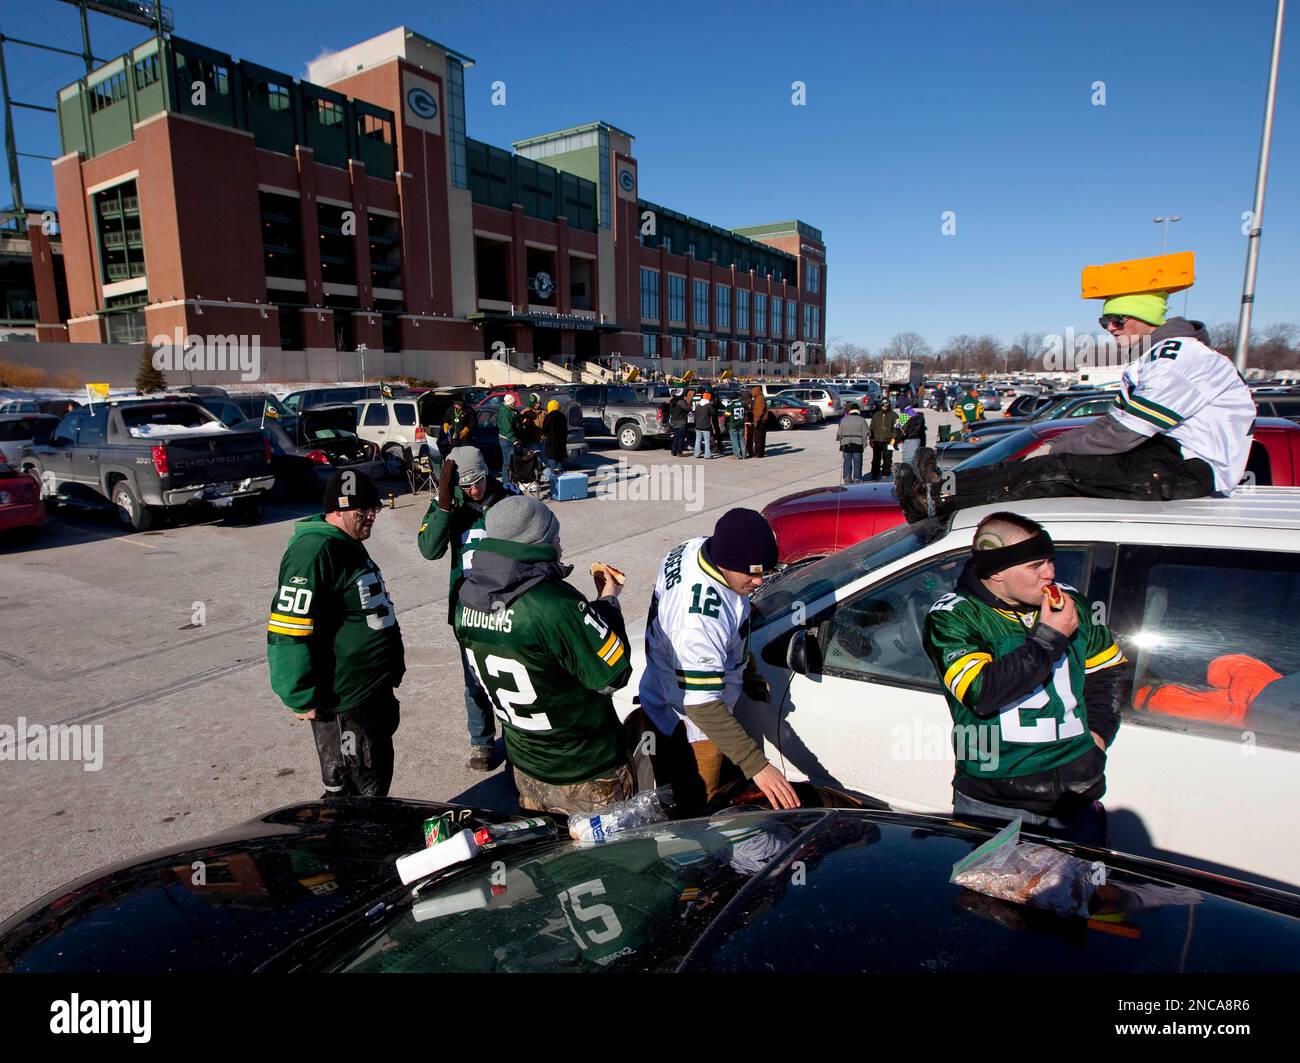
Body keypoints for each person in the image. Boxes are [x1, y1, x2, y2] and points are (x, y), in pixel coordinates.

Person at [894, 302, 1256, 524]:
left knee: (1056, 473)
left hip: (1190, 467)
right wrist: (1060, 443)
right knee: (1050, 468)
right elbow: (1112, 423)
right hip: (1177, 459)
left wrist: (1057, 450)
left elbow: (1122, 433)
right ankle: (941, 489)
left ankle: (936, 496)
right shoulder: (1166, 355)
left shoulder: (1180, 355)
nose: (1110, 329)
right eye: (1104, 323)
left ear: (1145, 317)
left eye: (1116, 319)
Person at [921, 512, 1130, 844]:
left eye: (1050, 560)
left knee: (1079, 894)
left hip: (1075, 797)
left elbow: (1109, 671)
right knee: (994, 895)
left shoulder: (1070, 602)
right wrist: (1049, 638)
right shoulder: (955, 617)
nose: (1050, 573)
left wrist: (1097, 736)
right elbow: (983, 692)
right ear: (997, 572)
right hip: (995, 804)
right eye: (1036, 566)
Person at [453, 495, 634, 814]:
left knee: (546, 855)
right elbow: (613, 674)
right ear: (535, 541)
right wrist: (607, 603)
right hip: (586, 770)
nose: (560, 540)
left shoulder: (465, 601)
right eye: (554, 534)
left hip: (526, 769)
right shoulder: (553, 603)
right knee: (608, 862)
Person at [637, 508, 802, 816]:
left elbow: (732, 613)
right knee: (700, 807)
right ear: (725, 562)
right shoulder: (697, 622)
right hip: (691, 725)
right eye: (751, 573)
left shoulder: (695, 547)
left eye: (764, 571)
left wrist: (744, 664)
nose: (758, 581)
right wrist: (757, 766)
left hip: (668, 683)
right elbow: (702, 706)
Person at [269, 470, 405, 797]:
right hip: (345, 699)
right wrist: (298, 693)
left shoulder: (347, 542)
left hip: (370, 694)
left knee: (374, 780)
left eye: (375, 508)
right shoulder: (314, 549)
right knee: (355, 794)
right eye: (363, 511)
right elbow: (288, 625)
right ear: (338, 511)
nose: (372, 516)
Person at [418, 446, 515, 770]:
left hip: (508, 604)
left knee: (511, 676)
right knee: (474, 680)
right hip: (467, 608)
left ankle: (517, 742)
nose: (475, 489)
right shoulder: (449, 504)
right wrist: (444, 504)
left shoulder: (508, 497)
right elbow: (429, 550)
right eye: (467, 485)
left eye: (480, 481)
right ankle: (481, 741)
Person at [836, 402, 867, 483]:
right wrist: (865, 443)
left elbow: (839, 433)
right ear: (858, 410)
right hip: (858, 444)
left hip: (846, 443)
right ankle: (857, 478)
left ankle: (847, 478)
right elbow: (866, 432)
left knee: (847, 462)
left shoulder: (844, 420)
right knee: (857, 462)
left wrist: (840, 440)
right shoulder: (862, 420)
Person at [869, 398, 897, 481]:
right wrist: (871, 439)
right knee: (876, 459)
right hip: (877, 440)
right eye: (882, 405)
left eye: (886, 405)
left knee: (887, 458)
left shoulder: (894, 415)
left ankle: (885, 474)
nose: (884, 407)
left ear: (889, 405)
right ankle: (875, 474)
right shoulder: (876, 415)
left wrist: (893, 440)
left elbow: (896, 429)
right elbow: (872, 428)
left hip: (888, 441)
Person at [541, 398, 568, 484]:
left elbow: (544, 429)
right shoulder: (562, 416)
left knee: (552, 462)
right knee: (559, 462)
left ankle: (555, 481)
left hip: (551, 444)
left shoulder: (549, 416)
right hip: (561, 443)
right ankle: (560, 480)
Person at [497, 393, 520, 490]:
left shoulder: (510, 410)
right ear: (510, 403)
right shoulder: (505, 413)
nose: (515, 403)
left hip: (508, 438)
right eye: (514, 402)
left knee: (510, 461)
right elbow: (507, 429)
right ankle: (506, 483)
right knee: (508, 462)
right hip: (507, 440)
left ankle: (510, 481)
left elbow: (514, 420)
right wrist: (514, 440)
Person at [725, 392, 747, 459]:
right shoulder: (743, 403)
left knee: (734, 440)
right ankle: (744, 454)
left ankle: (737, 455)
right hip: (741, 424)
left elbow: (727, 415)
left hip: (734, 424)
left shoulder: (731, 405)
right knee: (742, 439)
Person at [693, 391, 715, 459]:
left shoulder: (698, 405)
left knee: (698, 440)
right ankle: (707, 455)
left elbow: (695, 416)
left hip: (698, 426)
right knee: (707, 441)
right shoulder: (708, 405)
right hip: (706, 426)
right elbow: (713, 413)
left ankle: (697, 454)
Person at [668, 388, 689, 457]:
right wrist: (686, 401)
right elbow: (688, 408)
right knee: (680, 438)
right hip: (681, 422)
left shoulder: (671, 402)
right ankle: (679, 452)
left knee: (676, 437)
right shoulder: (680, 402)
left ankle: (673, 451)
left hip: (674, 421)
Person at [749, 386, 768, 458]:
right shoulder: (759, 398)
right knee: (760, 438)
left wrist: (756, 420)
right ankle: (760, 453)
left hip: (760, 421)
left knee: (758, 438)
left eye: (753, 392)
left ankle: (759, 454)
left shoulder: (759, 399)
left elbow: (760, 411)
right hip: (761, 421)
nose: (752, 393)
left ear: (756, 392)